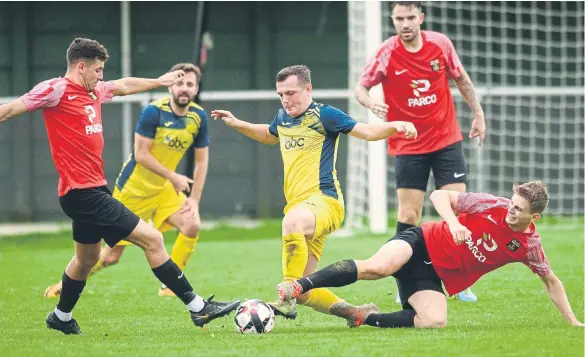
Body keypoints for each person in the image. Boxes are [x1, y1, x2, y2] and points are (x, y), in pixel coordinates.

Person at [0, 38, 239, 334]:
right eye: (98, 70)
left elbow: (123, 86)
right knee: (152, 239)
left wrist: (158, 81)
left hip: (92, 189)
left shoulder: (92, 90)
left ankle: (61, 317)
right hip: (82, 192)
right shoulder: (55, 89)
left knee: (87, 258)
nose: (102, 77)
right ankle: (199, 308)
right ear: (81, 66)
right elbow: (10, 109)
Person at [211, 64, 417, 321]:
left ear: (308, 89)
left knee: (292, 226)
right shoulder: (282, 117)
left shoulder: (325, 115)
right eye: (281, 94)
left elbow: (366, 131)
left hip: (325, 202)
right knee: (304, 290)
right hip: (301, 208)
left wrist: (395, 125)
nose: (286, 100)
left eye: (291, 92)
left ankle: (286, 296)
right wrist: (237, 123)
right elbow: (268, 134)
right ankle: (356, 313)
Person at [277, 181, 584, 328]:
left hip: (431, 274)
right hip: (420, 242)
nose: (510, 211)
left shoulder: (529, 246)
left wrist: (572, 322)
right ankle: (299, 285)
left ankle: (364, 317)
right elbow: (439, 196)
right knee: (380, 267)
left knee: (434, 321)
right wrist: (452, 223)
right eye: (512, 203)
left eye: (519, 210)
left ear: (535, 217)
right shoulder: (491, 204)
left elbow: (551, 281)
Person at [355, 1, 486, 302]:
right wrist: (370, 102)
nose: (405, 24)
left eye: (411, 17)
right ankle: (406, 284)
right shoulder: (386, 52)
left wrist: (477, 114)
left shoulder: (440, 44)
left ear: (421, 18)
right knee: (409, 215)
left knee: (457, 210)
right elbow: (360, 88)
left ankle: (458, 278)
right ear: (393, 20)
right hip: (409, 143)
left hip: (446, 139)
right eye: (399, 18)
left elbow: (461, 78)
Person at [43, 62, 209, 298]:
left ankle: (170, 287)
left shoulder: (198, 117)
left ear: (196, 89)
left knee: (191, 225)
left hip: (164, 190)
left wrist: (194, 200)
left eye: (190, 84)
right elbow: (141, 155)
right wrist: (172, 176)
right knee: (110, 256)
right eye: (179, 82)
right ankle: (64, 286)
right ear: (171, 85)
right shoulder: (154, 112)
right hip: (134, 189)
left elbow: (202, 162)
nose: (184, 88)